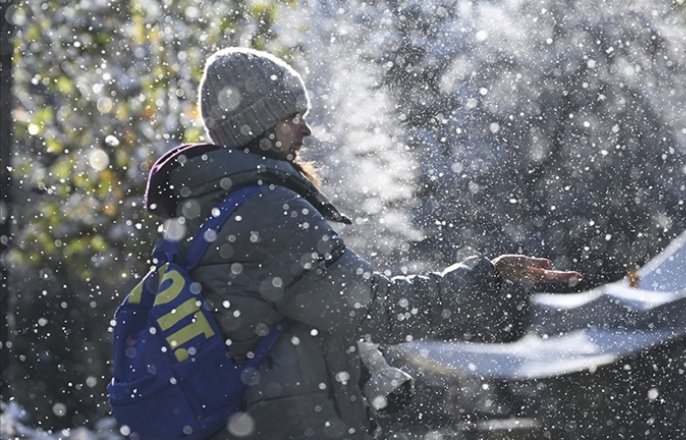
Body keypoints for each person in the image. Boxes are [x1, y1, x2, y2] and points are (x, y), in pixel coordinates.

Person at [143, 47, 582, 439]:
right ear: (259, 127)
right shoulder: (267, 210)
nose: (306, 131)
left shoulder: (207, 209)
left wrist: (374, 372)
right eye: (293, 117)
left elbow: (304, 310)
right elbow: (374, 306)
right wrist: (486, 276)